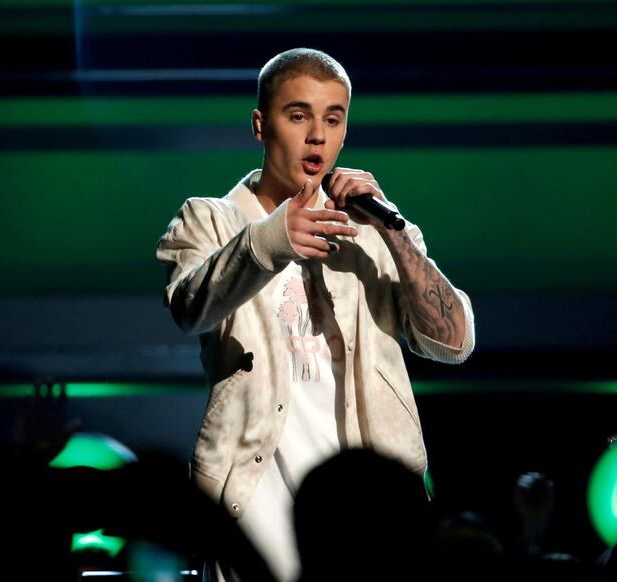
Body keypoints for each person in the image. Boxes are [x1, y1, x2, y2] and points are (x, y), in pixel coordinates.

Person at [156, 47, 475, 581]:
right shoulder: (210, 219)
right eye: (298, 115)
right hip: (256, 507)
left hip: (369, 510)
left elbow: (456, 340)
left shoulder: (376, 230)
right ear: (261, 124)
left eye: (334, 118)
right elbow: (190, 306)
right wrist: (273, 238)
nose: (318, 136)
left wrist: (392, 232)